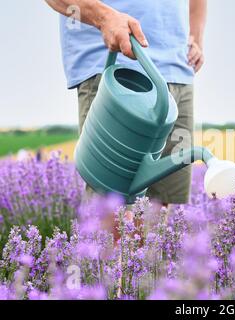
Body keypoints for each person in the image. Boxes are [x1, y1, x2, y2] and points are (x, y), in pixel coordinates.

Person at [45, 0, 207, 206]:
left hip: (177, 69)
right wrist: (104, 18)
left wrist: (196, 36)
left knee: (160, 214)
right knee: (114, 212)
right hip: (117, 66)